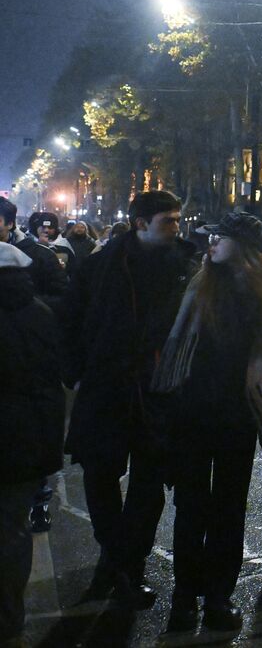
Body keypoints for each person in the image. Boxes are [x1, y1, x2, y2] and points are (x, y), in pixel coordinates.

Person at [151, 213, 262, 634]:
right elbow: (177, 340)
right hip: (193, 409)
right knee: (191, 507)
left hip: (237, 411)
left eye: (220, 237)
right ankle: (183, 598)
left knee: (229, 507)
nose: (210, 242)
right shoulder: (200, 281)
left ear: (244, 244)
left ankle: (218, 596)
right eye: (210, 236)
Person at [65, 191, 197, 609]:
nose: (177, 228)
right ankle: (117, 556)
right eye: (168, 221)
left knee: (149, 483)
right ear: (141, 223)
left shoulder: (186, 268)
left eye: (178, 220)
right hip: (107, 388)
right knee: (101, 475)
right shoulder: (100, 267)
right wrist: (76, 374)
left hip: (158, 391)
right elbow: (72, 320)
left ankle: (127, 565)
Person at [0, 242, 63, 645]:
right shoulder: (40, 314)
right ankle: (9, 621)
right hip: (23, 441)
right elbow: (51, 386)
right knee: (11, 532)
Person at [0, 198, 65, 304]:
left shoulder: (42, 256)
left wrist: (28, 303)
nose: (46, 230)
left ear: (10, 224)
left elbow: (61, 296)